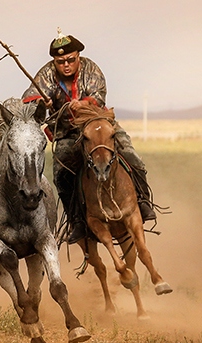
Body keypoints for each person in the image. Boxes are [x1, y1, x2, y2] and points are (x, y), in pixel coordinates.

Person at [22, 29, 156, 244]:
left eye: (70, 60)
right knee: (61, 175)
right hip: (67, 132)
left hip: (98, 124)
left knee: (131, 156)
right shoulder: (46, 73)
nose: (66, 65)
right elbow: (29, 97)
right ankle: (76, 221)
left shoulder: (91, 69)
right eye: (60, 62)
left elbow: (99, 96)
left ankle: (143, 202)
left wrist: (83, 104)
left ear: (78, 56)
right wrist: (41, 103)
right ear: (55, 62)